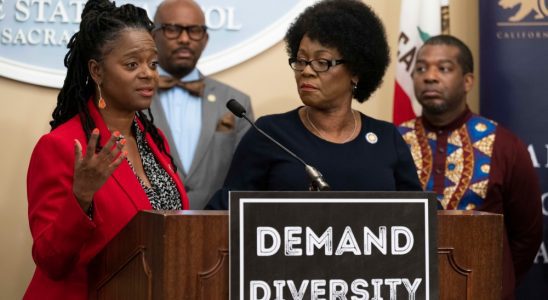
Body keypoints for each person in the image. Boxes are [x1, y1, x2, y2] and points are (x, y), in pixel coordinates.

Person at [25, 0, 189, 298]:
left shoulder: (155, 139)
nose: (147, 74)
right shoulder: (61, 147)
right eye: (131, 64)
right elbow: (51, 261)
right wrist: (81, 197)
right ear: (97, 71)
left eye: (152, 64)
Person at [206, 0, 421, 210]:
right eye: (301, 61)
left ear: (355, 71)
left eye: (322, 62)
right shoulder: (268, 134)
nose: (306, 71)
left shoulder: (386, 138)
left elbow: (424, 215)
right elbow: (222, 215)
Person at [397, 35, 543, 299]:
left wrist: (493, 282)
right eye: (420, 68)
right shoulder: (392, 142)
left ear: (467, 81)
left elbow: (526, 237)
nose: (429, 76)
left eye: (443, 68)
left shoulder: (504, 146)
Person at [150, 0, 254, 210]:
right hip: (147, 227)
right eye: (173, 29)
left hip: (218, 229)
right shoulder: (130, 99)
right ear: (153, 36)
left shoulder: (236, 102)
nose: (185, 39)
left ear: (205, 39)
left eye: (194, 30)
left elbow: (246, 176)